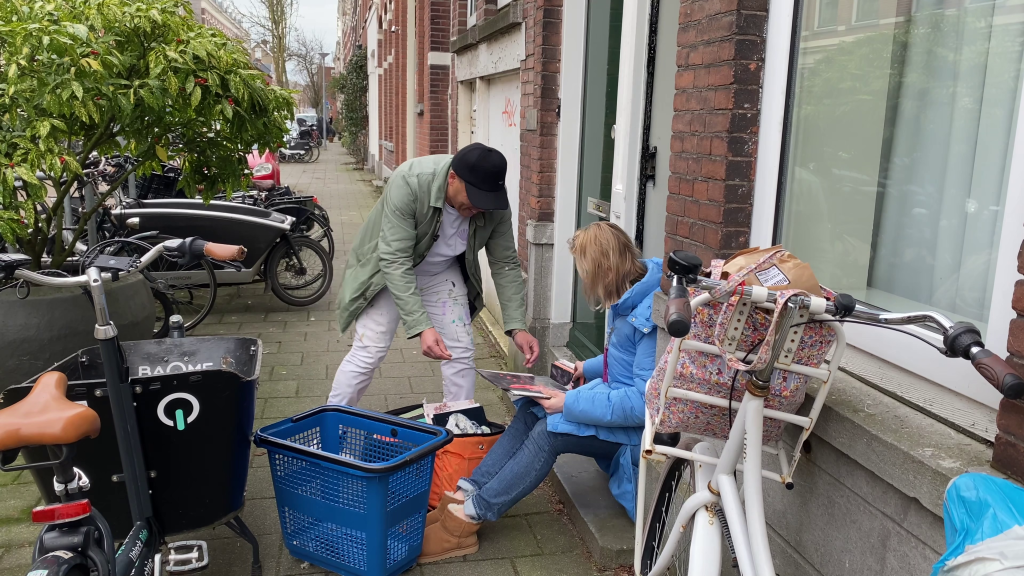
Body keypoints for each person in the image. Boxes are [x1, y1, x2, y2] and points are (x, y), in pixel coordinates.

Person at [418, 221, 662, 563]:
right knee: (531, 409)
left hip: (635, 432)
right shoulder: (630, 296)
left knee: (550, 432)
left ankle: (469, 516)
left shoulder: (649, 315)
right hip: (613, 404)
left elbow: (642, 404)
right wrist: (584, 368)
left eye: (587, 273)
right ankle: (465, 492)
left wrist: (569, 402)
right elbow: (624, 358)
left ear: (607, 269)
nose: (584, 283)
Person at [329, 143, 541, 406]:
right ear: (452, 178)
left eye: (486, 202)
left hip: (440, 272)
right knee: (369, 351)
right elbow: (395, 260)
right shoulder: (410, 181)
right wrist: (422, 327)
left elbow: (504, 262)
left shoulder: (492, 199)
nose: (480, 209)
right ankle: (332, 424)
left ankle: (458, 429)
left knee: (461, 351)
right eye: (474, 199)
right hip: (388, 274)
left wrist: (516, 326)